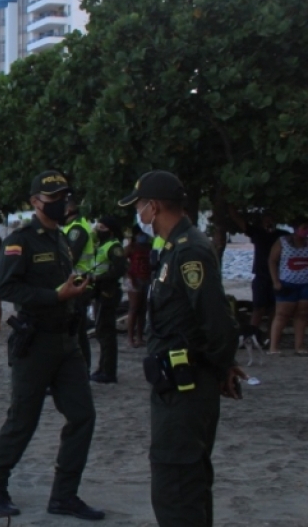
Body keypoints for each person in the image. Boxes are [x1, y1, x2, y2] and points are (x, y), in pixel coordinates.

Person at [119, 170, 244, 527]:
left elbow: (217, 320)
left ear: (154, 207)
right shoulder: (175, 247)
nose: (139, 215)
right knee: (186, 478)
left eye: (140, 207)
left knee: (177, 480)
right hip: (178, 382)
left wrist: (221, 367)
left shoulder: (188, 251)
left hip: (186, 386)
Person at [0, 170, 101, 520]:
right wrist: (55, 295)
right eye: (54, 199)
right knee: (23, 420)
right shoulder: (22, 240)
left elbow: (60, 284)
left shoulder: (60, 239)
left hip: (67, 341)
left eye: (65, 197)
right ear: (35, 202)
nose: (63, 203)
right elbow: (6, 289)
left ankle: (64, 495)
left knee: (83, 416)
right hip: (35, 343)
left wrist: (76, 287)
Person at [229, 209, 288, 346]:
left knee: (274, 309)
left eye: (271, 219)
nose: (269, 222)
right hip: (261, 275)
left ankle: (270, 338)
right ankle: (251, 336)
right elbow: (240, 222)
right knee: (258, 308)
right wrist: (231, 208)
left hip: (278, 276)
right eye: (267, 219)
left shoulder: (282, 235)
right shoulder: (257, 233)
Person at [89, 217, 127, 384]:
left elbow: (119, 269)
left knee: (107, 332)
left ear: (110, 230)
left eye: (102, 227)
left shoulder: (114, 247)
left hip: (108, 291)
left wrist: (99, 277)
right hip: (101, 291)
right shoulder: (103, 245)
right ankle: (102, 367)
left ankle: (109, 371)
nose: (98, 229)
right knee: (101, 331)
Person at [62, 199, 98, 368]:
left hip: (78, 283)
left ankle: (81, 371)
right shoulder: (72, 227)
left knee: (77, 332)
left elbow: (70, 257)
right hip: (76, 282)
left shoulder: (77, 229)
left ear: (69, 209)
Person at [267, 218, 308, 355]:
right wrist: (275, 281)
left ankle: (299, 346)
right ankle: (273, 347)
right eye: (304, 228)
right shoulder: (282, 241)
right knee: (282, 315)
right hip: (287, 282)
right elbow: (272, 261)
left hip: (305, 283)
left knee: (302, 314)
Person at [124, 228, 153, 348]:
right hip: (134, 279)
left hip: (147, 278)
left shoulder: (148, 246)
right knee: (134, 308)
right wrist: (129, 275)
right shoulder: (131, 247)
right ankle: (131, 339)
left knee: (142, 309)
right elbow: (122, 261)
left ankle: (140, 337)